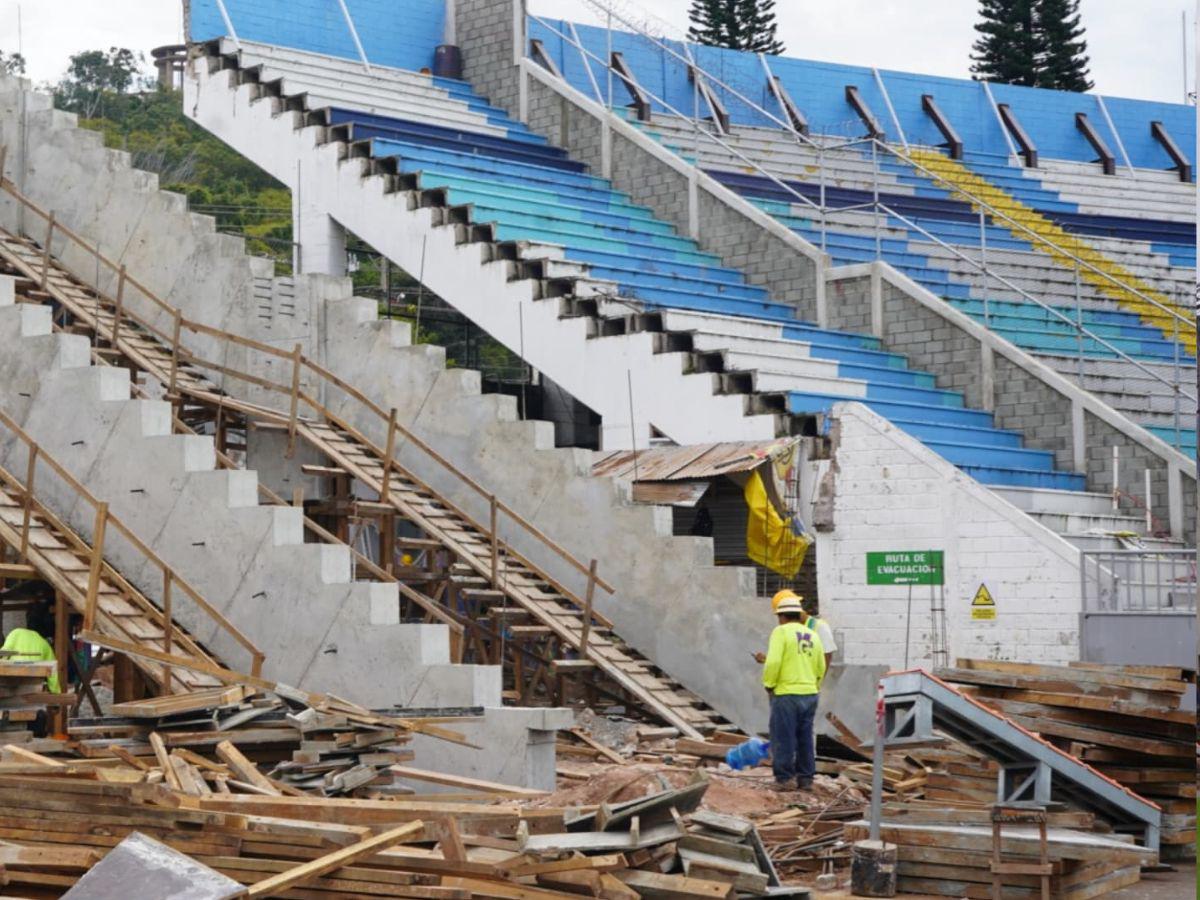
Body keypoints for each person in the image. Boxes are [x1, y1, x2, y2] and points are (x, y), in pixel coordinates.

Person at [761, 594, 825, 791]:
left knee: (783, 737)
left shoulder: (780, 632)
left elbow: (773, 662)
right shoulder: (813, 635)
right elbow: (820, 666)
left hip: (786, 693)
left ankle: (785, 779)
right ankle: (806, 779)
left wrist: (769, 684)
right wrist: (814, 685)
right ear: (799, 614)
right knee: (805, 737)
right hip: (810, 693)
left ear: (781, 616)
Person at [755, 590, 837, 672]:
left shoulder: (819, 627)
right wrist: (769, 660)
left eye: (780, 615)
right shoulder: (790, 629)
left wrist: (818, 679)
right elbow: (792, 659)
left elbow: (826, 657)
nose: (779, 621)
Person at [2, 600, 61, 694]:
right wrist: (56, 693)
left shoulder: (15, 633)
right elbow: (52, 672)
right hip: (34, 685)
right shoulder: (44, 644)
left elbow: (3, 655)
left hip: (12, 682)